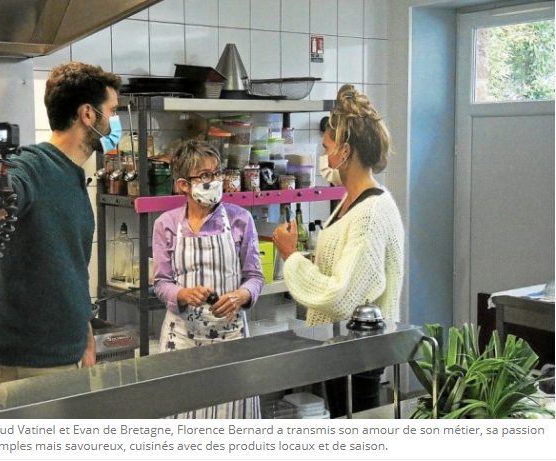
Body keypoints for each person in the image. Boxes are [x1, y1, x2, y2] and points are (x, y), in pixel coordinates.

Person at [0, 62, 122, 384]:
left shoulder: (72, 174)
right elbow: (7, 187)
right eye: (112, 110)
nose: (114, 121)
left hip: (67, 353)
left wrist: (83, 329)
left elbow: (67, 269)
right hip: (31, 362)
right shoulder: (33, 164)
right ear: (88, 115)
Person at [272, 84, 404, 417]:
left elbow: (341, 295)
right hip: (340, 346)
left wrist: (292, 256)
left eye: (326, 146)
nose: (323, 154)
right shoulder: (351, 200)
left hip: (358, 353)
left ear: (344, 152)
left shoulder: (371, 213)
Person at [152, 139, 264, 418]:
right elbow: (161, 282)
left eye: (217, 174)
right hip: (182, 342)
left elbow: (254, 276)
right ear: (183, 185)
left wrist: (241, 295)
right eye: (204, 176)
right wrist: (182, 294)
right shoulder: (165, 225)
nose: (214, 182)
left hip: (231, 339)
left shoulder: (241, 220)